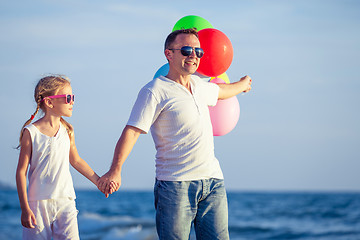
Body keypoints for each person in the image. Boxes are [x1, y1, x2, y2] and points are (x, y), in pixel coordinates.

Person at [97, 28, 252, 239]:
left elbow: (223, 92)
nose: (193, 56)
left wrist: (242, 85)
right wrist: (115, 170)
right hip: (175, 185)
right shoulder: (155, 91)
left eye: (198, 52)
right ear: (169, 54)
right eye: (187, 50)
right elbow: (132, 131)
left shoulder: (200, 86)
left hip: (213, 181)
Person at [15, 75, 117, 240]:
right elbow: (21, 172)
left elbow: (76, 160)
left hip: (66, 200)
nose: (72, 102)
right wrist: (25, 208)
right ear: (49, 102)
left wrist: (98, 181)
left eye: (73, 97)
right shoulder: (31, 132)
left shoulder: (67, 130)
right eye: (68, 98)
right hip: (38, 204)